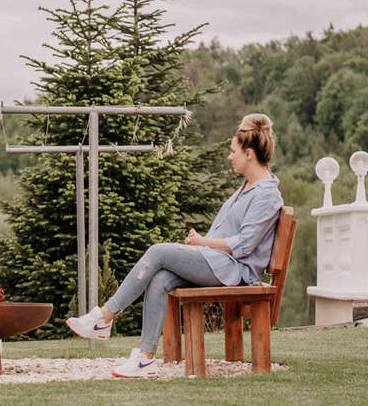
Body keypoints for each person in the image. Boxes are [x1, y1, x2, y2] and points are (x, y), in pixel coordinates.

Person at [65, 113, 284, 378]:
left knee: (158, 251)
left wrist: (202, 242)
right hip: (219, 263)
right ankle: (145, 358)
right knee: (161, 278)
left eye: (233, 151)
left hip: (235, 272)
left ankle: (104, 316)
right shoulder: (248, 187)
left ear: (249, 154)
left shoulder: (267, 194)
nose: (230, 156)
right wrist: (200, 245)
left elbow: (246, 245)